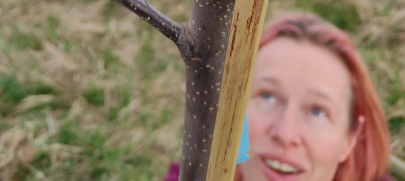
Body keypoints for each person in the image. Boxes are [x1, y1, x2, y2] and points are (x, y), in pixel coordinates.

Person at [163, 13, 393, 181]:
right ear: (234, 109)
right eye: (268, 97)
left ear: (350, 140)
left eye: (317, 111)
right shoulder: (193, 174)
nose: (285, 134)